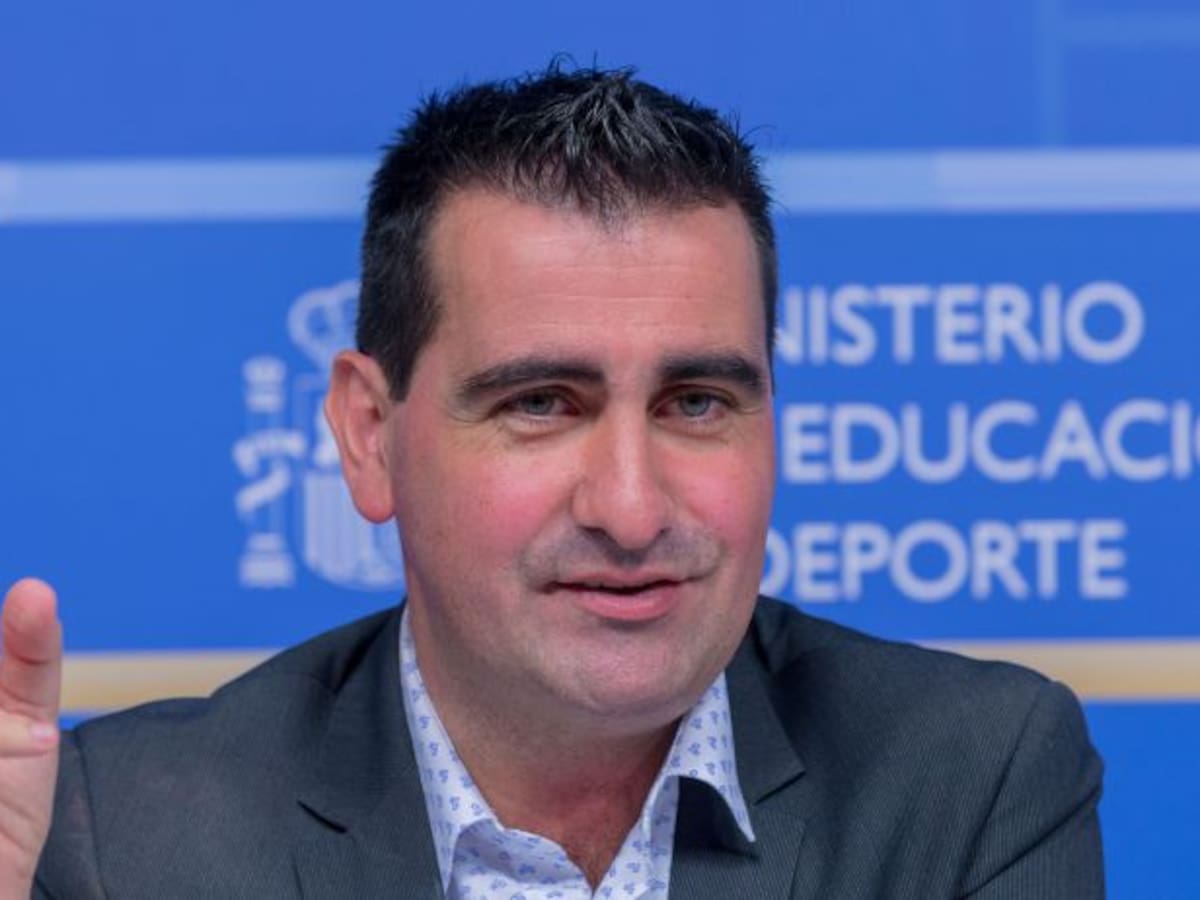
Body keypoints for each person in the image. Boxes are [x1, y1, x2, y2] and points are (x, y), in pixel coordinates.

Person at [1, 66, 1103, 898]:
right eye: (540, 404)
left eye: (696, 403)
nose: (630, 508)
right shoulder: (125, 840)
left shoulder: (970, 782)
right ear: (371, 436)